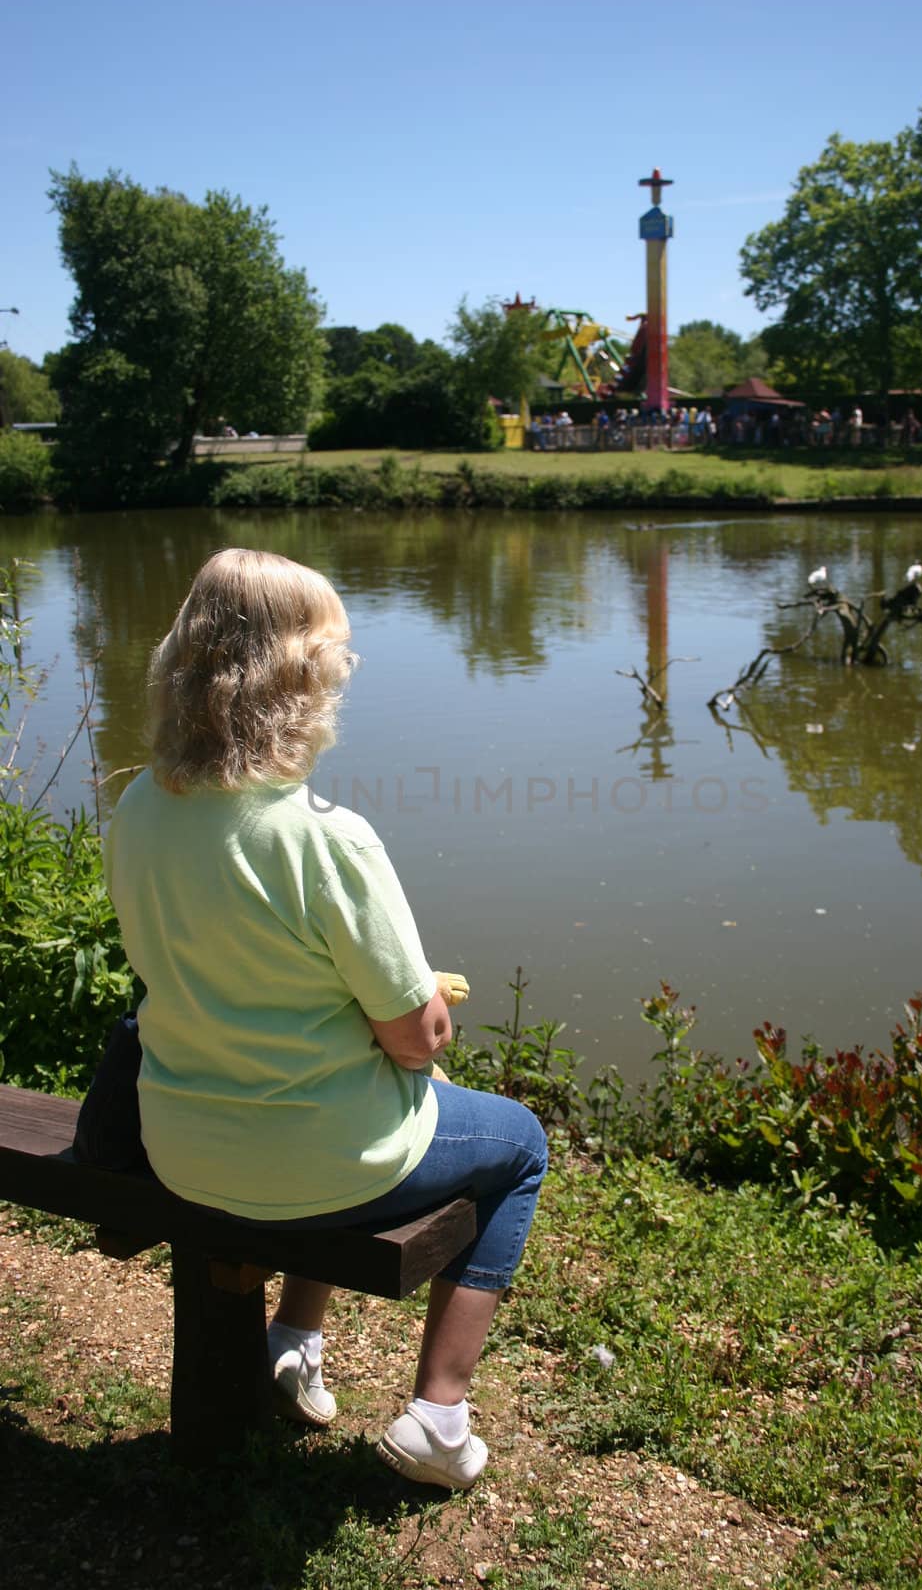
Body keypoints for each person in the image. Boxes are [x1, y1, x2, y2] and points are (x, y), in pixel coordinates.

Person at [103, 548, 548, 1491]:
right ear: (299, 679)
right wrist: (422, 995)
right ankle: (437, 1416)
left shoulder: (138, 806)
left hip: (182, 1143)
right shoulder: (326, 837)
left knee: (340, 1093)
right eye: (335, 662)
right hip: (317, 1161)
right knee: (517, 1141)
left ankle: (295, 1337)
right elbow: (416, 1039)